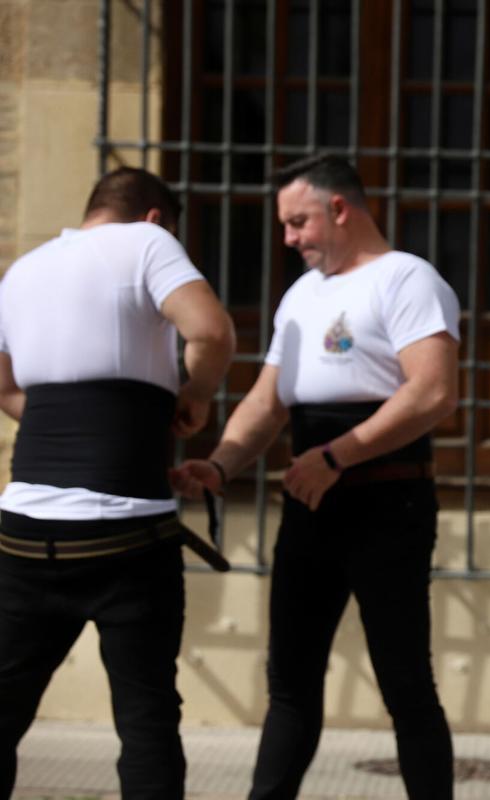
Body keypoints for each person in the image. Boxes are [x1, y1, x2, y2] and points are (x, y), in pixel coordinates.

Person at [170, 154, 459, 800]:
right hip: (309, 507)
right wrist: (219, 465)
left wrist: (337, 457)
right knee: (290, 685)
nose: (289, 238)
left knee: (405, 684)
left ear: (339, 208)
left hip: (388, 506)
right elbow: (268, 403)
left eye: (298, 222)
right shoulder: (302, 295)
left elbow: (435, 393)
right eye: (284, 225)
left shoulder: (406, 279)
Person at [0, 167, 235, 799]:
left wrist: (81, 429)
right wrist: (194, 398)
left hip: (23, 531)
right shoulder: (146, 243)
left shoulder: (23, 269)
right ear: (155, 218)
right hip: (125, 533)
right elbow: (211, 331)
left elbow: (5, 387)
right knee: (146, 717)